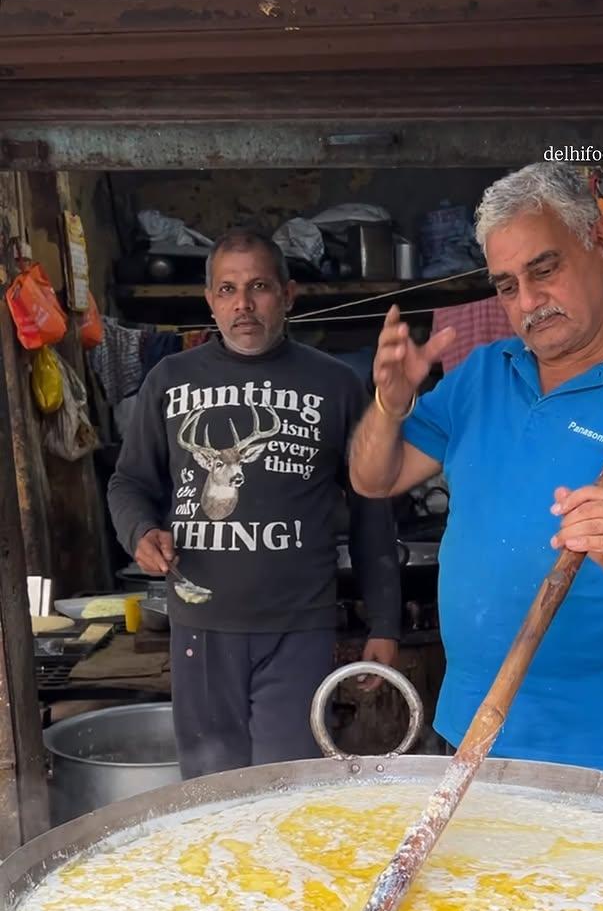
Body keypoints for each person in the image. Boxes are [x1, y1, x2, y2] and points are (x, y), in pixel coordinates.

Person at [349, 164, 603, 778]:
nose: (528, 303)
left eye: (545, 269)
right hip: (469, 739)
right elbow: (375, 478)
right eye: (507, 286)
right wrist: (388, 404)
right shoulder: (483, 374)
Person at [108, 228, 400, 778]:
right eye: (227, 289)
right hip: (200, 625)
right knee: (211, 792)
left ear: (288, 295)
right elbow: (128, 483)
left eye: (259, 287)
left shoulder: (336, 385)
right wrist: (139, 532)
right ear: (210, 302)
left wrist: (384, 623)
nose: (243, 304)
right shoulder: (169, 381)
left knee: (287, 793)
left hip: (299, 627)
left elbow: (372, 510)